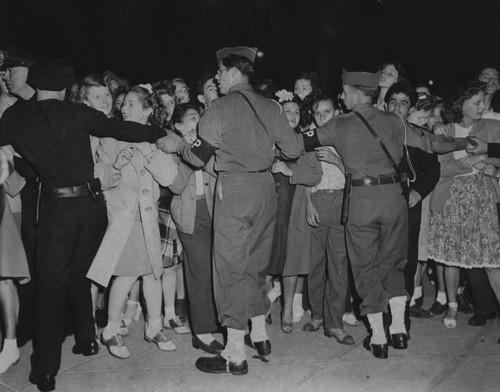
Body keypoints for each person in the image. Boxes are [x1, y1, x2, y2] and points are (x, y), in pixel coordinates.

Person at [0, 59, 165, 392]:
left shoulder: (15, 118)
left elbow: (21, 161)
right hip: (91, 207)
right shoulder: (79, 114)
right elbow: (125, 130)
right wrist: (159, 133)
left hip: (55, 210)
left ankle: (45, 370)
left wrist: (32, 166)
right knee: (80, 276)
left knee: (49, 289)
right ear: (64, 88)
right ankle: (87, 340)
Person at [301, 70, 467, 359]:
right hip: (393, 200)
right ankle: (399, 329)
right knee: (394, 263)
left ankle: (378, 336)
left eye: (344, 92)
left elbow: (297, 145)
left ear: (355, 93)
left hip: (361, 202)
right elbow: (434, 144)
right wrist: (465, 143)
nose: (341, 96)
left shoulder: (339, 124)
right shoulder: (395, 122)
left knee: (366, 269)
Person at [157, 46, 302, 375]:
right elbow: (293, 148)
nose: (217, 78)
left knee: (230, 269)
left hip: (234, 190)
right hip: (266, 189)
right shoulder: (272, 106)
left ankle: (235, 353)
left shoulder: (219, 108)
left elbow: (196, 157)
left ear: (234, 73)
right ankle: (260, 332)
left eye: (220, 72)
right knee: (256, 262)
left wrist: (178, 144)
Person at [88, 84, 178, 359]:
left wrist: (149, 154)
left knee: (153, 272)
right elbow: (98, 175)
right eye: (123, 103)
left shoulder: (155, 139)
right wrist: (115, 166)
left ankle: (154, 326)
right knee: (126, 274)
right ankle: (111, 329)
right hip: (123, 217)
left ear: (148, 111)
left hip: (148, 216)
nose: (123, 108)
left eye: (131, 104)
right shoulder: (110, 137)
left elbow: (169, 178)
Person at [428, 80, 500, 329]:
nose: (483, 106)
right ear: (462, 104)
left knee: (492, 259)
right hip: (451, 199)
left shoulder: (492, 126)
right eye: (477, 102)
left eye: (482, 101)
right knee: (451, 258)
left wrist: (483, 157)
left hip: (481, 200)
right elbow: (440, 168)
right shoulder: (443, 130)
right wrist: (474, 165)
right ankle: (452, 306)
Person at [168, 103, 223, 353]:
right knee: (200, 271)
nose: (197, 122)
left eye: (198, 117)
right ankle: (201, 331)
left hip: (216, 211)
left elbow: (219, 172)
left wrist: (202, 152)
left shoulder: (209, 144)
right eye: (191, 118)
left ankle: (218, 321)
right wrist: (188, 155)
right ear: (178, 126)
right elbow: (177, 186)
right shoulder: (173, 148)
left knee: (217, 270)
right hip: (190, 215)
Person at [384, 81, 440, 321]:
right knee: (378, 262)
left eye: (403, 103)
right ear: (385, 104)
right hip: (378, 206)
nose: (397, 108)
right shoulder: (371, 132)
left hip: (409, 205)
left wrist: (418, 191)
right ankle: (380, 317)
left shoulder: (421, 136)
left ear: (410, 108)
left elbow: (433, 170)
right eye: (392, 102)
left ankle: (401, 319)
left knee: (405, 262)